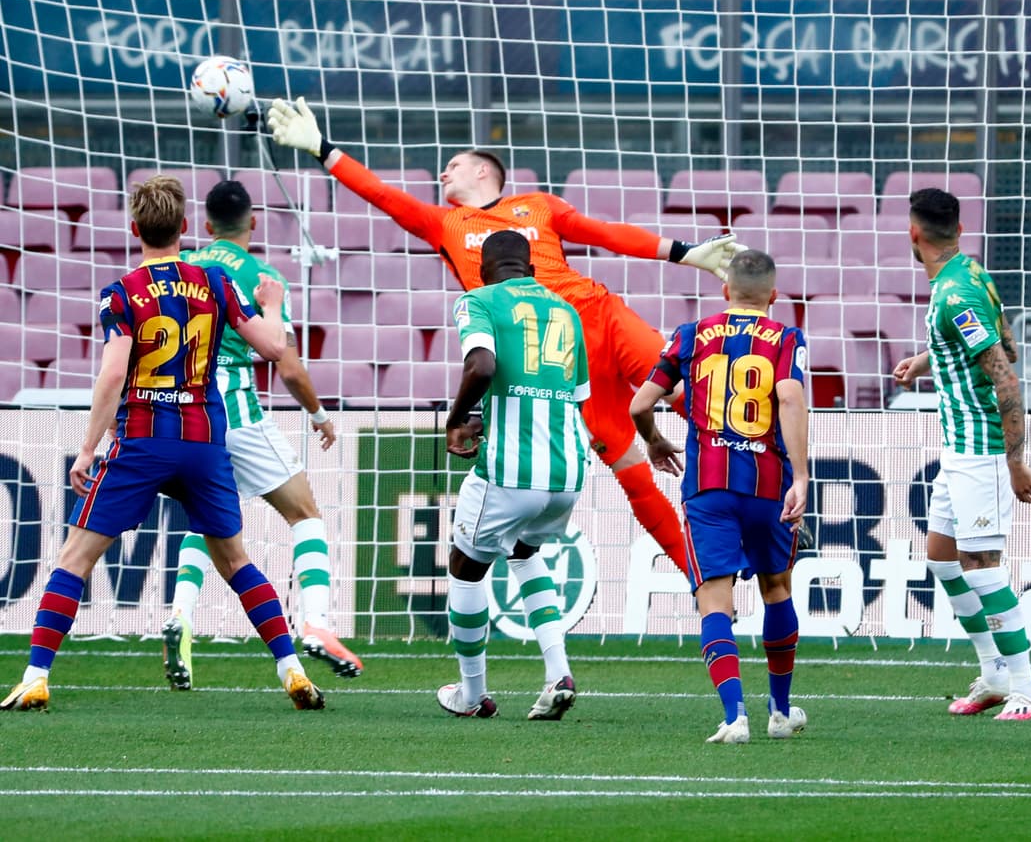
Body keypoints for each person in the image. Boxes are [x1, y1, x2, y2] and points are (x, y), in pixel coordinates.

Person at [267, 97, 743, 580]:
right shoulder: (445, 223)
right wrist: (323, 149)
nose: (442, 175)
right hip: (558, 361)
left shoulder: (538, 206)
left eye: (452, 166)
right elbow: (383, 196)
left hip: (597, 315)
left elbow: (604, 233)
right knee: (632, 470)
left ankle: (759, 487)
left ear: (483, 173)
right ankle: (702, 583)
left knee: (689, 394)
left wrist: (685, 254)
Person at [1, 175, 324, 712]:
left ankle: (36, 676)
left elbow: (110, 376)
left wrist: (87, 449)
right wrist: (272, 301)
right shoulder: (215, 281)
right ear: (183, 228)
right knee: (237, 562)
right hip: (202, 440)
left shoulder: (122, 292)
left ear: (134, 229)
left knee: (74, 560)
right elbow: (272, 348)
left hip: (145, 439)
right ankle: (291, 670)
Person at [160, 179, 362, 691]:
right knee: (305, 514)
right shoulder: (262, 276)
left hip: (182, 411)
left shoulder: (181, 271)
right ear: (253, 223)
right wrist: (319, 416)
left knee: (208, 519)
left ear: (204, 227)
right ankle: (314, 621)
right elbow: (288, 366)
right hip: (236, 408)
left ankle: (180, 613)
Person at [630, 249, 809, 744]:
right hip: (767, 485)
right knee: (777, 587)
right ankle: (780, 710)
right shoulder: (787, 338)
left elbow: (640, 403)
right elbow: (791, 397)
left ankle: (735, 718)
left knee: (714, 598)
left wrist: (654, 440)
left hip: (708, 486)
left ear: (725, 290)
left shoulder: (691, 335)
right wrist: (800, 476)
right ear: (774, 296)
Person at [892, 187, 1031, 722]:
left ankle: (1027, 691)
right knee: (941, 557)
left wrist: (1015, 458)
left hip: (982, 449)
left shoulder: (957, 294)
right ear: (958, 230)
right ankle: (995, 675)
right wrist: (925, 360)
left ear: (915, 233)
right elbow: (1002, 345)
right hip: (958, 447)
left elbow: (1005, 371)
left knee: (982, 567)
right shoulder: (971, 275)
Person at [434, 230, 591, 721]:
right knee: (524, 553)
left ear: (484, 268)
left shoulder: (478, 300)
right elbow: (574, 395)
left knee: (466, 565)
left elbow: (481, 366)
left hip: (510, 470)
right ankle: (558, 673)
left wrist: (458, 417)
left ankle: (472, 693)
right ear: (532, 268)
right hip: (566, 470)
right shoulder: (566, 311)